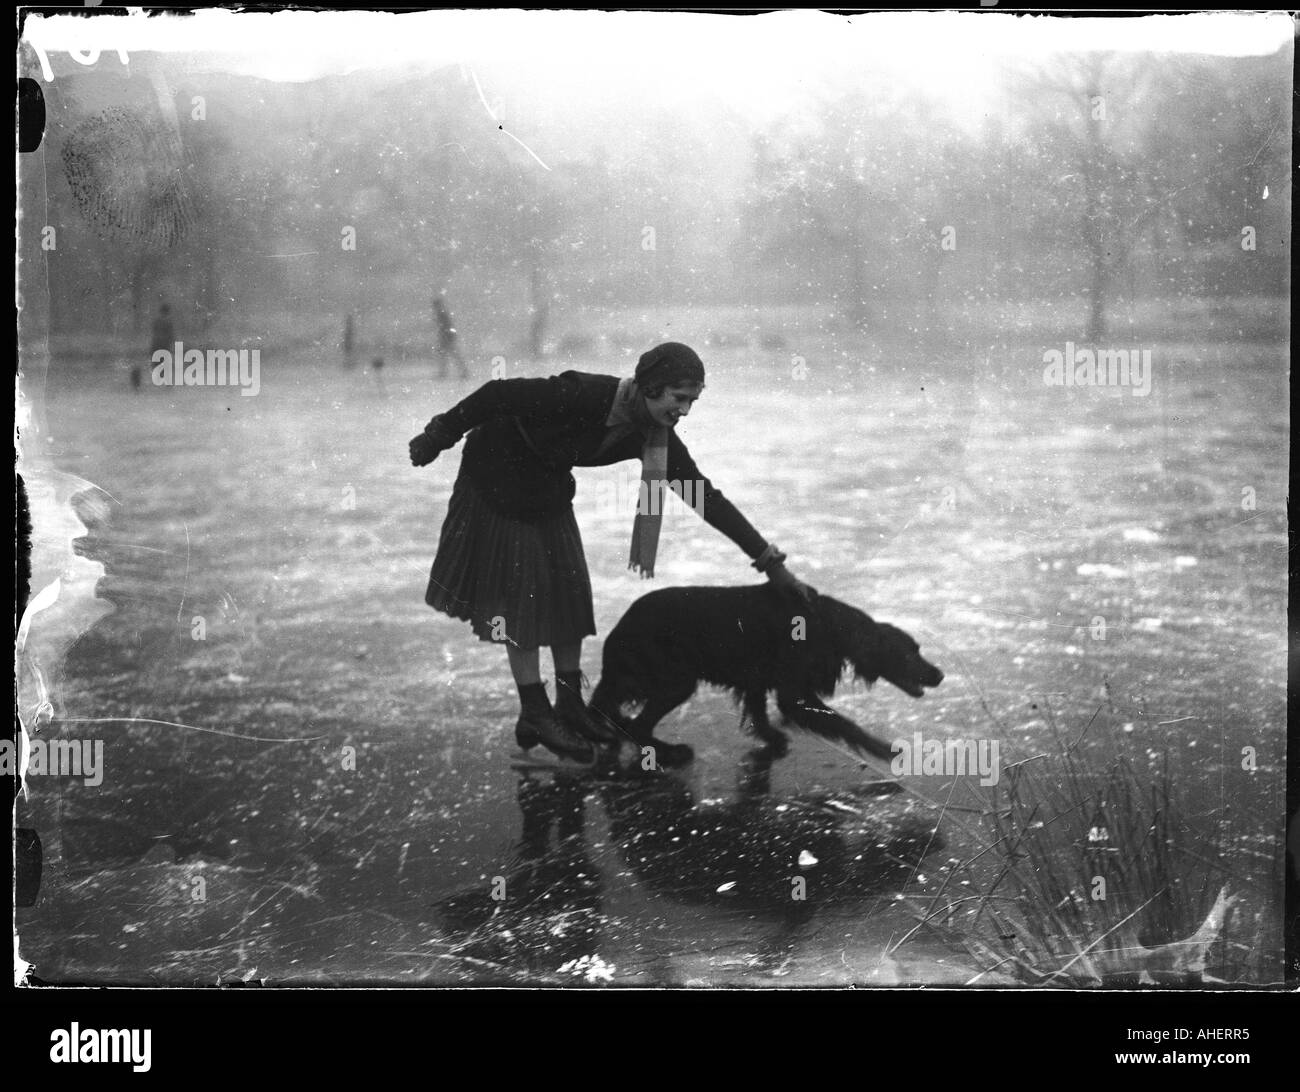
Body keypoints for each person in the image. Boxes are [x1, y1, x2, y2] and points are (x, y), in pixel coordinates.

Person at [408, 341, 811, 764]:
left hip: (545, 483)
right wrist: (439, 434)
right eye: (679, 398)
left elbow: (704, 497)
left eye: (693, 400)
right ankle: (534, 708)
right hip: (498, 474)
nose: (686, 410)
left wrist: (771, 563)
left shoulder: (654, 435)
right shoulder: (583, 393)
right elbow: (497, 395)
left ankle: (568, 705)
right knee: (522, 598)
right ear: (650, 387)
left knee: (569, 591)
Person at [432, 294, 468, 379]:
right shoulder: (442, 313)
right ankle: (462, 371)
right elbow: (446, 325)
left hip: (447, 337)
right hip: (447, 336)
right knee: (452, 355)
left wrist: (445, 335)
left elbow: (445, 326)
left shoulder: (441, 313)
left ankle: (446, 373)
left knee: (449, 355)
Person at [141, 302, 174, 392]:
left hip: (155, 344)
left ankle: (159, 378)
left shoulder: (156, 321)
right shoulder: (168, 322)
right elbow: (171, 335)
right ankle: (166, 382)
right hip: (165, 345)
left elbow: (154, 332)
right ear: (168, 312)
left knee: (155, 363)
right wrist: (172, 344)